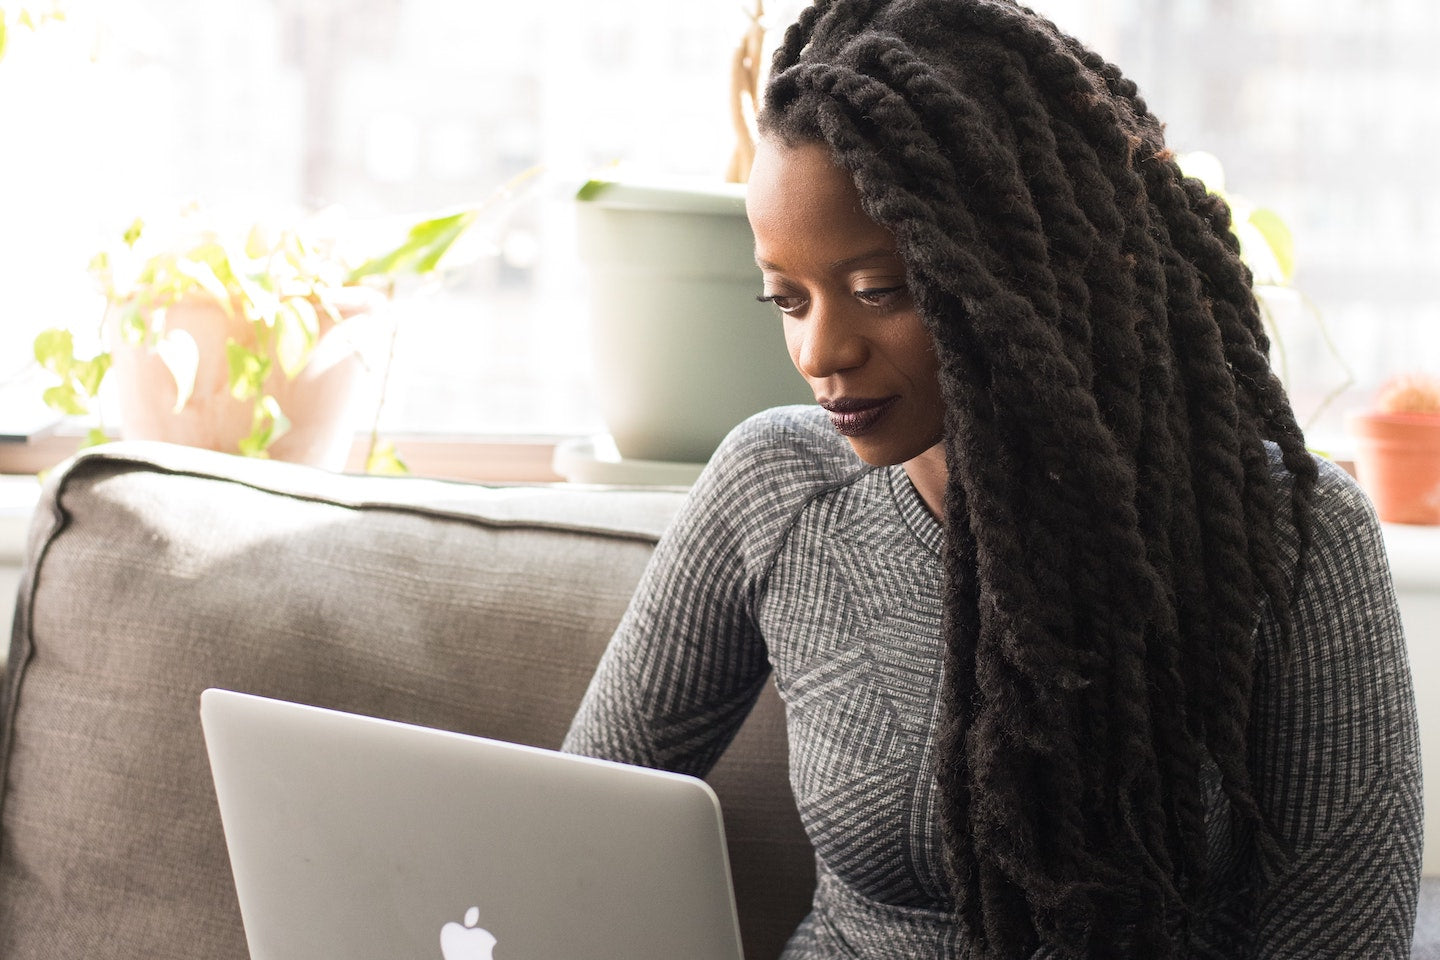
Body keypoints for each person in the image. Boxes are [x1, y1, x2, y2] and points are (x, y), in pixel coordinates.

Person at [563, 0, 1422, 956]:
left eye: (879, 290)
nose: (820, 351)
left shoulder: (1295, 538)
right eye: (786, 298)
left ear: (1025, 268)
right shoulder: (775, 486)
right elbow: (570, 819)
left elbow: (1341, 936)